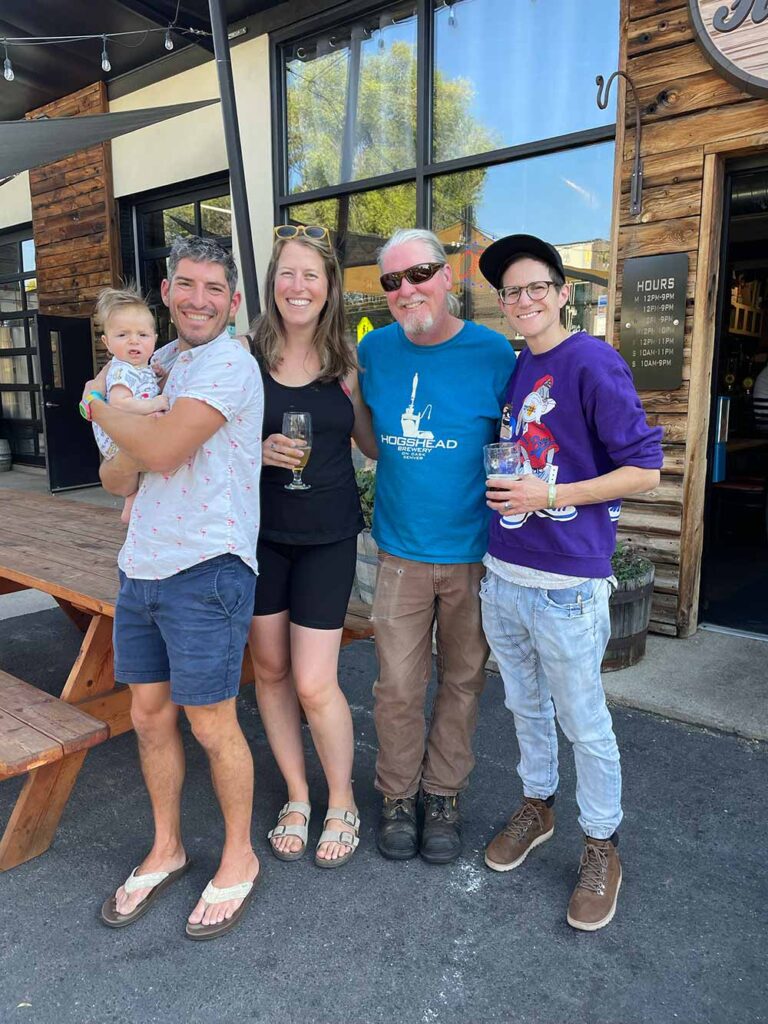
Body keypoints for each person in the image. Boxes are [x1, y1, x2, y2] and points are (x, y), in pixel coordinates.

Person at [477, 233, 663, 931]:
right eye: (510, 292)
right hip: (503, 576)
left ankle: (602, 846)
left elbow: (645, 471)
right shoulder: (521, 366)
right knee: (525, 707)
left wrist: (549, 499)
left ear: (562, 293)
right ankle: (538, 807)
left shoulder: (592, 360)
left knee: (584, 722)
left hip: (565, 584)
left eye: (534, 288)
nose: (522, 301)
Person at [81, 236, 263, 941]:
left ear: (233, 301)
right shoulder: (158, 363)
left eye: (214, 289)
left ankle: (239, 856)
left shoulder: (229, 364)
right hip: (142, 563)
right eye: (187, 285)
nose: (198, 299)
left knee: (211, 723)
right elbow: (116, 479)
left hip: (207, 568)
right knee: (150, 718)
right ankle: (168, 847)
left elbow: (156, 451)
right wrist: (124, 430)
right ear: (167, 291)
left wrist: (99, 409)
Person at [357, 227, 516, 864]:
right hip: (401, 549)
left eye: (419, 274)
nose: (407, 290)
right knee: (396, 685)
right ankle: (398, 795)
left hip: (476, 553)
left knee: (463, 679)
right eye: (392, 281)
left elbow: (521, 443)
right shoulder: (375, 353)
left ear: (449, 275)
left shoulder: (495, 353)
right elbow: (372, 444)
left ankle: (442, 792)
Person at [245, 224, 377, 868]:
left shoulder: (347, 362)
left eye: (311, 276)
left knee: (315, 681)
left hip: (328, 536)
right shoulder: (243, 357)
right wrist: (255, 450)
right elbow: (210, 442)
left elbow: (373, 447)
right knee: (268, 671)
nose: (298, 287)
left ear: (329, 290)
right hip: (260, 536)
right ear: (273, 284)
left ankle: (342, 799)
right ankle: (298, 794)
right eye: (287, 274)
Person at [86, 286, 169, 524]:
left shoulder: (140, 367)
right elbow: (121, 404)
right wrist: (155, 403)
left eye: (142, 335)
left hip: (126, 434)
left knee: (141, 474)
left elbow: (143, 387)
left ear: (154, 339)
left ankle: (130, 505)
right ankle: (131, 504)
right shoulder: (120, 370)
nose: (134, 341)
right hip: (117, 438)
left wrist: (156, 375)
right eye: (122, 335)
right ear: (107, 342)